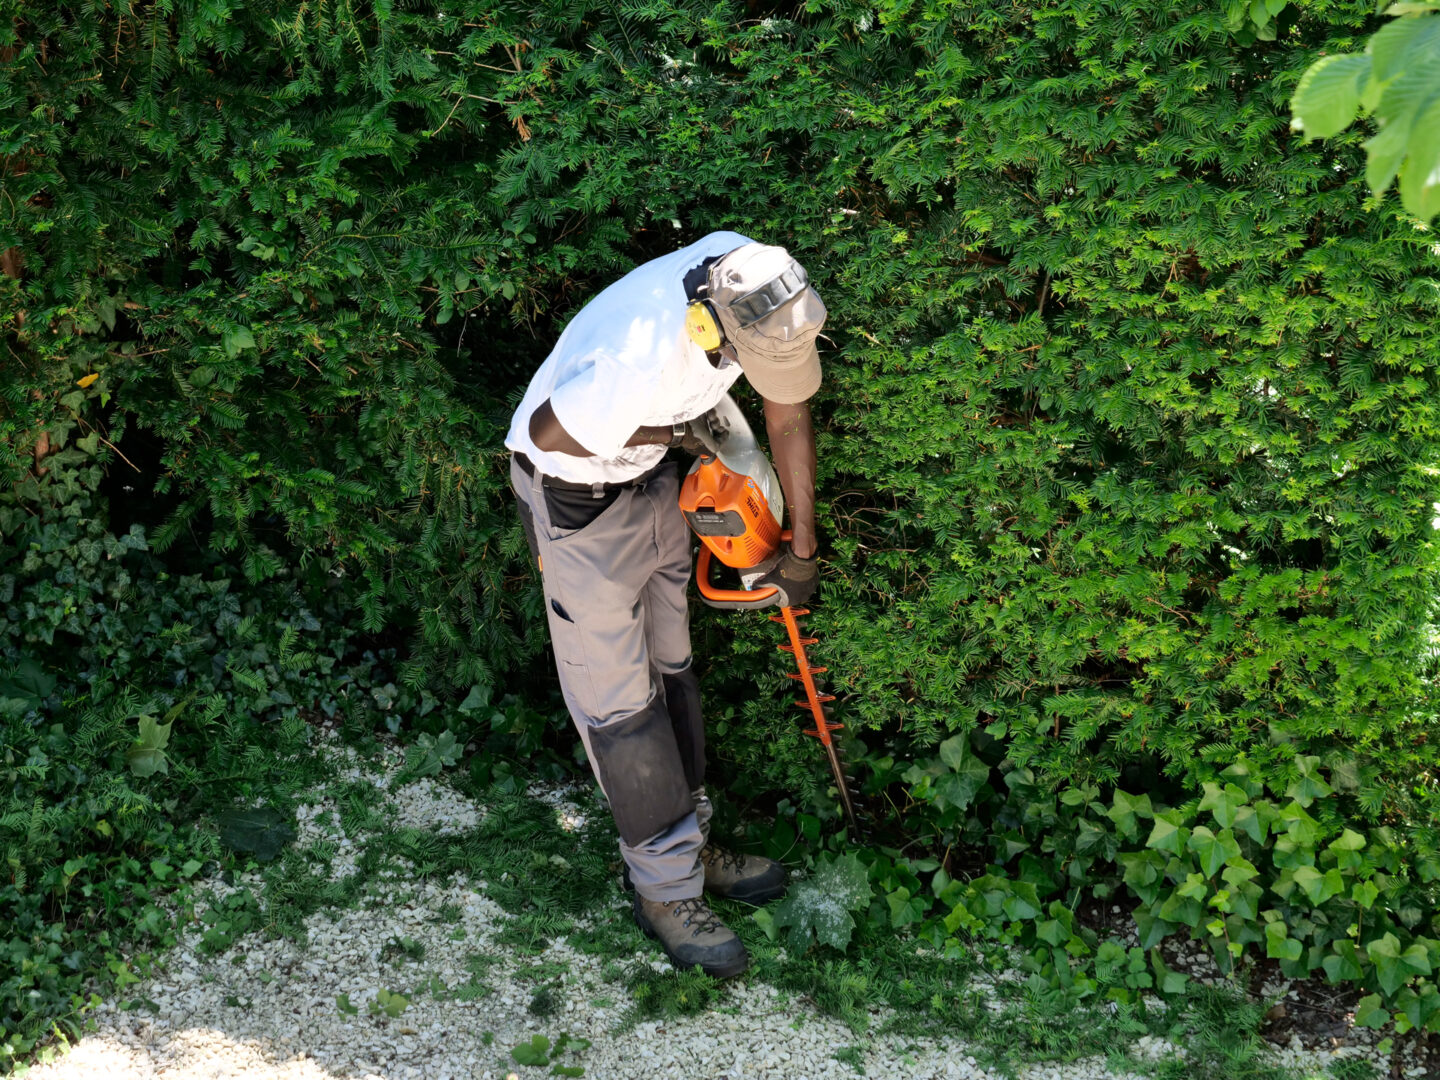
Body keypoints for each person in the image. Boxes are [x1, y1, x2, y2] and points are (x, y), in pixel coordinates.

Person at [504, 231, 828, 978]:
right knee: (618, 705)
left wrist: (801, 548)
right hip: (576, 497)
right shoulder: (637, 355)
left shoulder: (750, 274)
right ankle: (663, 890)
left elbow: (785, 415)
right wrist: (681, 430)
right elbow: (552, 430)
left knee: (671, 671)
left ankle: (691, 845)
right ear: (712, 325)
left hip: (648, 480)